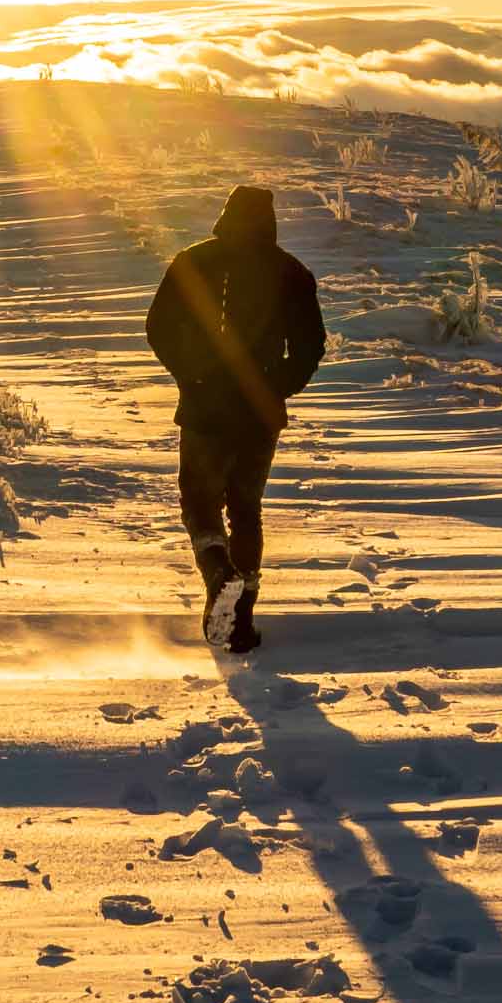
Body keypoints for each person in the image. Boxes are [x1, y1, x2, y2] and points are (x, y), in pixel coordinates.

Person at [145, 184, 326, 654]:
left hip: (206, 407)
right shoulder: (292, 272)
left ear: (226, 215)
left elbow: (159, 327)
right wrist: (275, 386)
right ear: (270, 221)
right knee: (246, 509)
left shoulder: (194, 261)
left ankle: (218, 571)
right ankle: (238, 621)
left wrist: (193, 375)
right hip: (260, 413)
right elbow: (311, 348)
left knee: (200, 503)